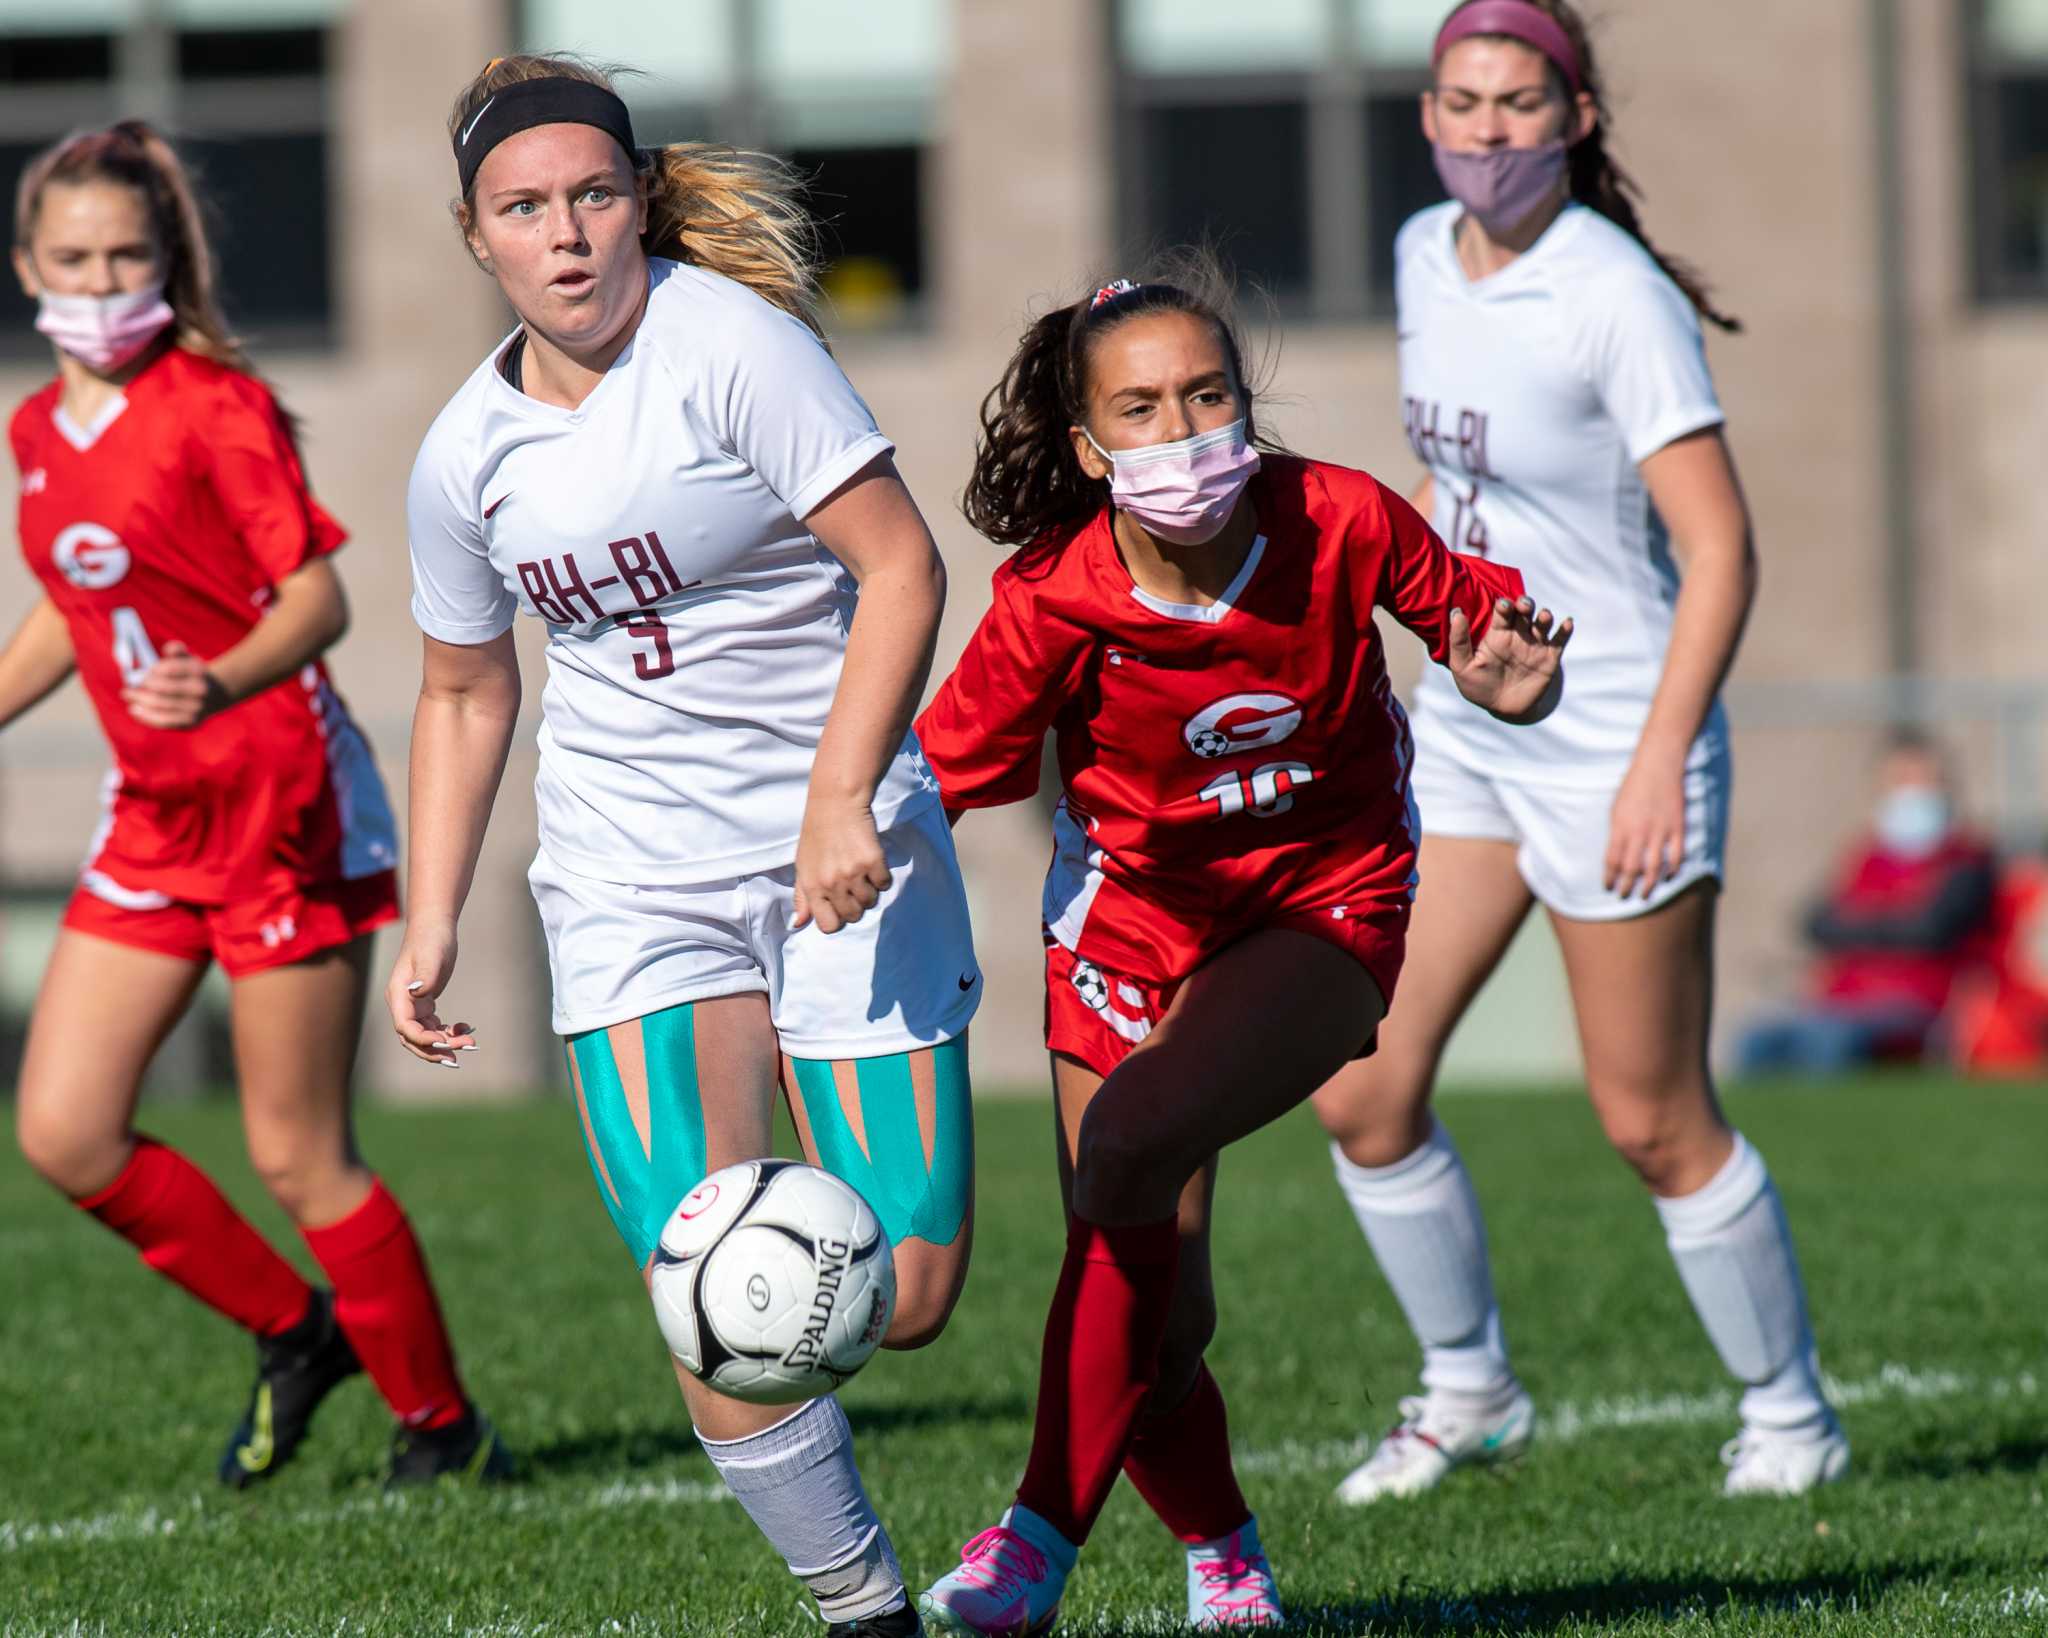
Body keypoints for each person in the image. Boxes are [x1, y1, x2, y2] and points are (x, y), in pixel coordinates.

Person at [390, 56, 979, 1638]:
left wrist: (841, 795)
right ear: (476, 235)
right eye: (527, 209)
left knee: (907, 1296)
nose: (568, 236)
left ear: (643, 197)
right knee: (708, 1282)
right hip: (629, 878)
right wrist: (428, 915)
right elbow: (461, 688)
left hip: (838, 851)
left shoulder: (733, 348)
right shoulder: (463, 457)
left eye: (594, 195)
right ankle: (864, 1609)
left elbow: (906, 568)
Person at [911, 262, 1569, 1635]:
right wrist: (830, 839)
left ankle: (1031, 1537)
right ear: (1091, 449)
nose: (1185, 430)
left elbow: (1481, 641)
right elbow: (937, 770)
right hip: (1126, 926)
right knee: (1162, 1308)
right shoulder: (1053, 594)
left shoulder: (1334, 513)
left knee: (1128, 1148)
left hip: (1324, 903)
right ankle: (1228, 1558)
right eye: (1141, 409)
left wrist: (1514, 675)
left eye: (1207, 395)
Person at [1308, 0, 1848, 1506]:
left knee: (1648, 1114)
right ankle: (1468, 1390)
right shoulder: (1425, 253)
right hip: (1478, 726)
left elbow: (1721, 548)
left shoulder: (1611, 295)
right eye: (1461, 101)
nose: (1486, 130)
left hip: (1617, 730)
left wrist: (1659, 761)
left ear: (1576, 120)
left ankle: (1792, 1414)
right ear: (1427, 116)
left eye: (1519, 104)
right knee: (1358, 1079)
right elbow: (1452, 477)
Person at [4, 122, 504, 1487]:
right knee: (63, 1128)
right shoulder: (37, 428)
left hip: (282, 804)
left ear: (165, 262)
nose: (101, 283)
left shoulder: (213, 405)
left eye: (126, 257)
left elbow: (316, 600)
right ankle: (299, 1334)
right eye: (73, 260)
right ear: (26, 266)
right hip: (154, 817)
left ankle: (446, 1430)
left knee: (297, 1151)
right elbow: (80, 596)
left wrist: (215, 679)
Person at [1737, 732, 1997, 1074]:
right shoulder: (1866, 856)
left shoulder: (1967, 859)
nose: (1913, 793)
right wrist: (1893, 921)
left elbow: (1932, 930)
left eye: (1925, 782)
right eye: (1902, 782)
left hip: (1918, 1006)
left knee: (1831, 1041)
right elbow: (1816, 922)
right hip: (1841, 1001)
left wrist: (1862, 923)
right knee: (1758, 1040)